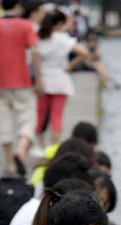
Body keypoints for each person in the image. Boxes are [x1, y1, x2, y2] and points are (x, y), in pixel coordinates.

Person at [0, 0, 41, 176]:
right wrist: (38, 77)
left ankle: (9, 163)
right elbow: (35, 52)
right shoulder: (26, 25)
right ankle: (21, 150)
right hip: (22, 80)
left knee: (4, 121)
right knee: (27, 118)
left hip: (0, 82)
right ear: (19, 6)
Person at [35, 9, 99, 147]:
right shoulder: (63, 39)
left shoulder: (39, 38)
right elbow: (84, 52)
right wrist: (70, 65)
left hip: (43, 79)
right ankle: (55, 146)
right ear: (59, 24)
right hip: (60, 78)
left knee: (40, 116)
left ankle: (40, 146)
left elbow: (33, 59)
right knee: (56, 118)